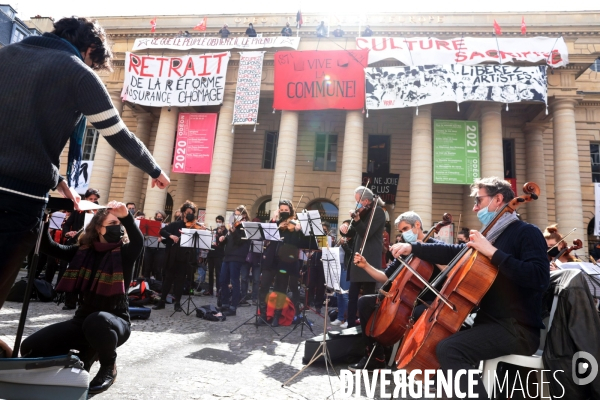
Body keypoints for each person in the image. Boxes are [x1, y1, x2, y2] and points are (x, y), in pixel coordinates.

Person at [0, 17, 170, 310]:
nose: (91, 68)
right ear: (90, 49)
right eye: (93, 63)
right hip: (19, 199)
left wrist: (59, 180)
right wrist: (154, 169)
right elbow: (118, 134)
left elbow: (19, 131)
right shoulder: (77, 72)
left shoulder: (6, 54)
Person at [390, 177, 549, 398]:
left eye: (478, 201)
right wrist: (413, 247)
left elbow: (539, 277)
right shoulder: (492, 235)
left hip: (517, 328)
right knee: (441, 342)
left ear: (498, 199)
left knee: (450, 349)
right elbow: (453, 251)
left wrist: (492, 253)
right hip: (490, 322)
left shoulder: (526, 232)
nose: (475, 208)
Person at [21, 201, 141, 394]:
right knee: (30, 347)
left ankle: (108, 366)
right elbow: (49, 247)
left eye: (119, 224)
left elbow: (138, 241)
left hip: (114, 323)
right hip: (82, 322)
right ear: (98, 229)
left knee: (97, 320)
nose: (117, 228)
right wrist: (43, 221)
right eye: (112, 224)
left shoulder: (125, 253)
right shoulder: (83, 252)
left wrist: (126, 216)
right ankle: (76, 359)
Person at [348, 211, 440, 371]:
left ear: (417, 225)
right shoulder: (405, 251)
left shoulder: (434, 245)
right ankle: (375, 355)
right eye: (401, 231)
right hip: (401, 297)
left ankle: (412, 360)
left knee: (418, 312)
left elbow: (450, 268)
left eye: (405, 229)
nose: (404, 234)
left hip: (427, 299)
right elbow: (386, 277)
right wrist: (365, 266)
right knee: (365, 302)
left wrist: (426, 251)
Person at [259, 200, 315, 326]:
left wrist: (297, 231)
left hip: (285, 262)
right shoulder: (276, 222)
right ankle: (263, 315)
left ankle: (276, 317)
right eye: (282, 210)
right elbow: (266, 236)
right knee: (264, 287)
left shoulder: (294, 224)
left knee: (280, 289)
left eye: (286, 210)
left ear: (290, 210)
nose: (284, 212)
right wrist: (274, 219)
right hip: (271, 260)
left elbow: (296, 244)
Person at [339, 186, 386, 328]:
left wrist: (358, 219)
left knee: (367, 297)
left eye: (358, 201)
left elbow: (367, 233)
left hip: (369, 259)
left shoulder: (377, 212)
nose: (357, 205)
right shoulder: (363, 212)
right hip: (357, 258)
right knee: (353, 296)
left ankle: (366, 326)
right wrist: (345, 230)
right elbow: (354, 232)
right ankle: (350, 324)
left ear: (366, 200)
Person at [153, 201, 203, 311]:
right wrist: (171, 236)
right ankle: (162, 301)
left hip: (185, 256)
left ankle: (177, 303)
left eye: (192, 212)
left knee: (180, 281)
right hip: (172, 256)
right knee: (168, 280)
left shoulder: (194, 227)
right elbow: (162, 231)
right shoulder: (175, 225)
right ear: (183, 213)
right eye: (188, 212)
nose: (190, 214)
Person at [219, 206, 250, 316]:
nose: (236, 216)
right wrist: (222, 239)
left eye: (238, 214)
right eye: (235, 214)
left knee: (234, 281)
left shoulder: (246, 227)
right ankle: (225, 303)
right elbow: (229, 241)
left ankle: (233, 307)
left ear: (244, 215)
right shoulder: (233, 226)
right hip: (227, 255)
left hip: (237, 256)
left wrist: (234, 232)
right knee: (223, 280)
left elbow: (240, 242)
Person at [141, 211, 167, 280]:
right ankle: (145, 284)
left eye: (161, 217)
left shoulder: (166, 226)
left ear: (163, 218)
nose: (159, 218)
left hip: (160, 249)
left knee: (158, 268)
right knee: (147, 267)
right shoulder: (150, 225)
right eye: (158, 217)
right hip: (149, 247)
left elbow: (167, 237)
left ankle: (157, 284)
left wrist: (162, 238)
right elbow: (145, 233)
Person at [205, 215, 225, 296]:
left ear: (222, 222)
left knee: (218, 272)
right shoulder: (214, 230)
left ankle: (218, 290)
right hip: (211, 253)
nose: (218, 223)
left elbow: (224, 242)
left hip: (219, 254)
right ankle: (210, 290)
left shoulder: (225, 231)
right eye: (217, 222)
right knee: (210, 272)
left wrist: (221, 234)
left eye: (219, 222)